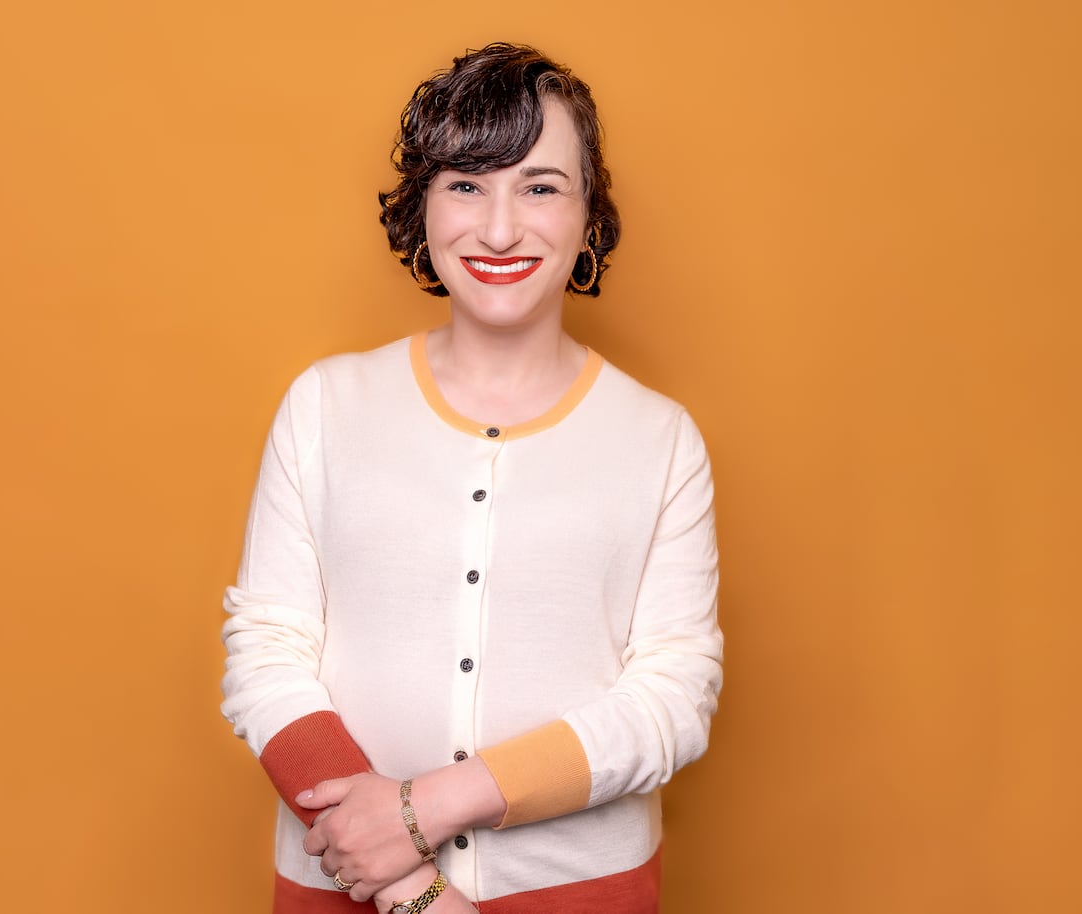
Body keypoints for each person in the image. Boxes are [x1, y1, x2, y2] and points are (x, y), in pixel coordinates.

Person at [221, 42, 722, 914]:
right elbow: (267, 652)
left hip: (582, 893)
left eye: (539, 186)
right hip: (348, 883)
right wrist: (412, 888)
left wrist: (424, 810)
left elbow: (672, 697)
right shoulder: (323, 408)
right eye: (465, 184)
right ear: (423, 208)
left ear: (588, 213)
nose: (498, 230)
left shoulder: (661, 440)